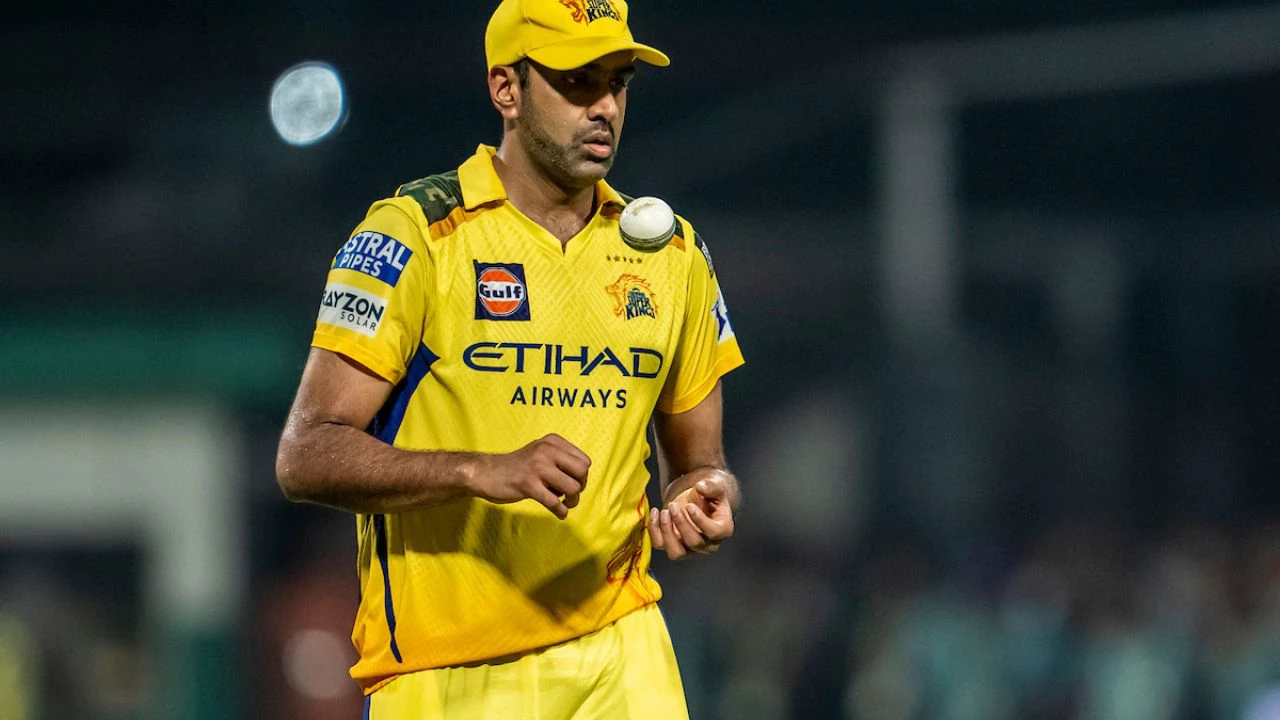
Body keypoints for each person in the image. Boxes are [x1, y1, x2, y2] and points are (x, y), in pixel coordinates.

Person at [275, 0, 745, 716]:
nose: (605, 108)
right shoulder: (414, 236)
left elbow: (700, 465)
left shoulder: (672, 253)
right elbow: (305, 455)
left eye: (617, 83)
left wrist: (703, 498)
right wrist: (477, 469)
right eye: (577, 82)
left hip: (623, 650)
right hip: (448, 672)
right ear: (506, 89)